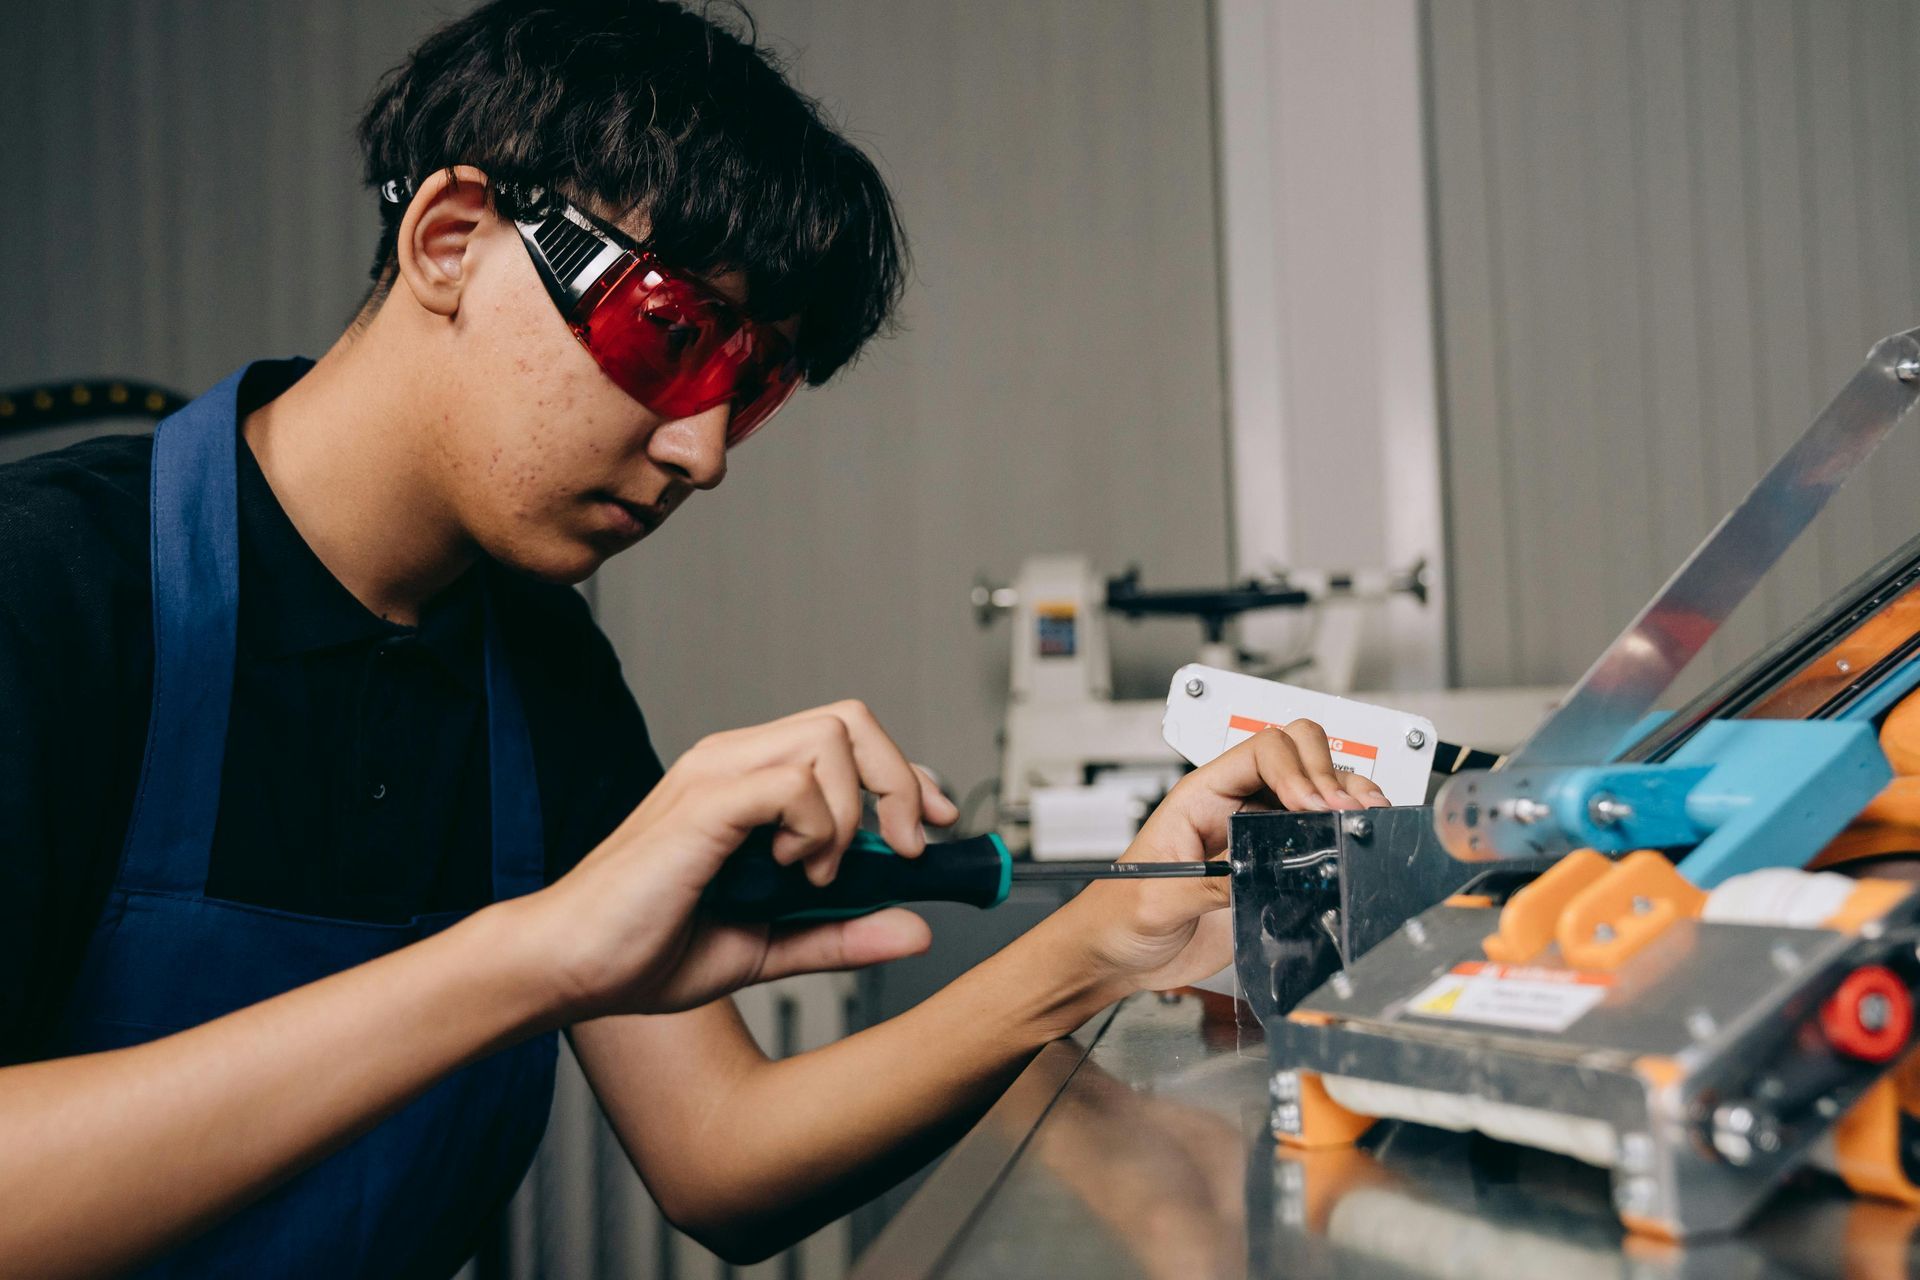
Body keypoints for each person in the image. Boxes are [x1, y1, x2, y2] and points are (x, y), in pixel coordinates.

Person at [0, 2, 1388, 1276]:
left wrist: (1108, 940)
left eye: (758, 388)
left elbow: (719, 1154)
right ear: (449, 241)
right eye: (670, 338)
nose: (705, 450)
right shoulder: (51, 584)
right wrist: (533, 954)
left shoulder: (535, 667)